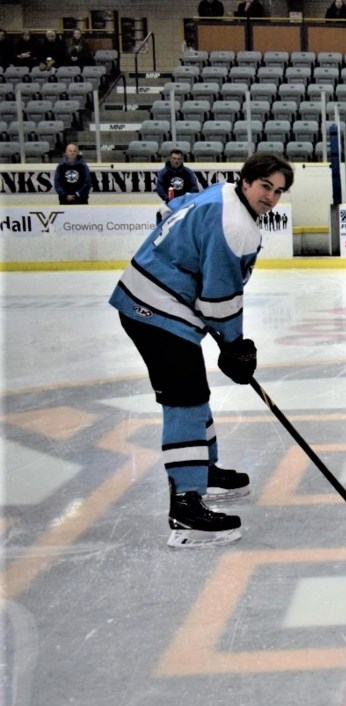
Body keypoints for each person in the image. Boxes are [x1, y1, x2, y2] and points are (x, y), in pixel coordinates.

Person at [108, 152, 294, 548]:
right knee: (185, 398)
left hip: (149, 299)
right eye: (266, 187)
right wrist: (235, 346)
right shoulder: (236, 224)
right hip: (156, 310)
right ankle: (185, 505)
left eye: (278, 192)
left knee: (193, 391)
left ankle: (203, 470)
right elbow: (219, 297)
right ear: (246, 181)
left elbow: (173, 208)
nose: (271, 198)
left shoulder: (219, 193)